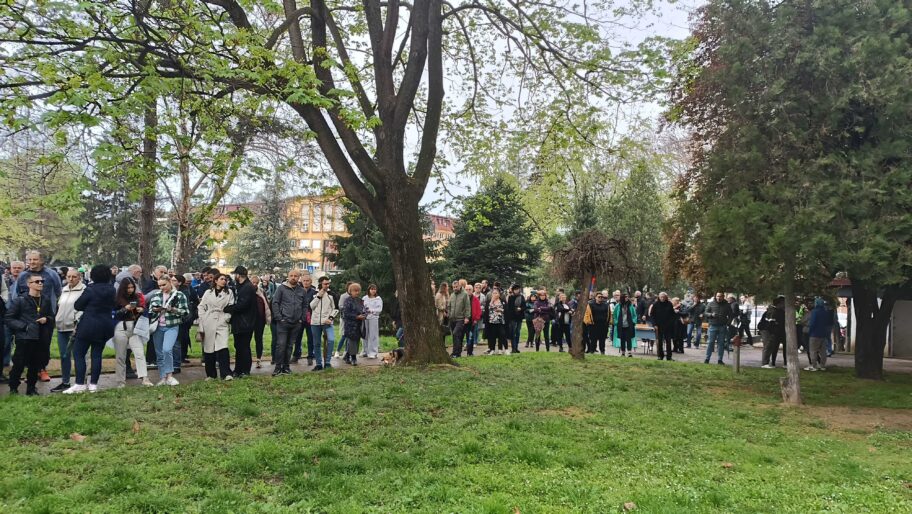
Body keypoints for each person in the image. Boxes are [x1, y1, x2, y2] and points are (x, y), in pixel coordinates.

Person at [63, 265, 116, 394]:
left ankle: (80, 383)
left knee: (79, 353)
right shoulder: (112, 289)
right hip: (106, 325)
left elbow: (78, 305)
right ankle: (93, 384)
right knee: (97, 355)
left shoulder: (90, 289)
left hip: (89, 325)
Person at [16, 251, 62, 383]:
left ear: (41, 260)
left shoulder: (52, 275)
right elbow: (17, 294)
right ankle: (31, 371)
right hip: (26, 316)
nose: (31, 262)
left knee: (44, 344)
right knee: (28, 344)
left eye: (34, 259)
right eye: (29, 259)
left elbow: (59, 292)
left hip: (45, 315)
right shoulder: (23, 276)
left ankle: (42, 369)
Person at [5, 273, 55, 395]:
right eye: (37, 282)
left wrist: (46, 319)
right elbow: (9, 319)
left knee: (35, 365)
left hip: (41, 337)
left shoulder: (45, 300)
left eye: (41, 281)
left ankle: (31, 389)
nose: (40, 283)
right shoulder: (20, 301)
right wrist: (24, 326)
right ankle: (13, 388)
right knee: (19, 364)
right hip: (25, 338)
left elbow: (51, 316)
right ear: (29, 284)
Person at [147, 275, 189, 386]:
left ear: (170, 282)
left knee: (167, 349)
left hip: (172, 325)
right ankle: (163, 377)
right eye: (159, 285)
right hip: (157, 326)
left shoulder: (179, 295)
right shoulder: (156, 295)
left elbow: (185, 311)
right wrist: (156, 309)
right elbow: (151, 309)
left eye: (164, 285)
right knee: (159, 353)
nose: (161, 287)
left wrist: (173, 309)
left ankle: (170, 376)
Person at [112, 277, 152, 387]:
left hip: (135, 327)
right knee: (121, 355)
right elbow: (113, 314)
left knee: (139, 353)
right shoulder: (117, 299)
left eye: (132, 287)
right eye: (128, 288)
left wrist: (142, 310)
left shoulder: (138, 297)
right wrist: (125, 309)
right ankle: (120, 381)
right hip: (121, 326)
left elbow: (145, 311)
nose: (130, 290)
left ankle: (144, 377)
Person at [51, 268, 86, 392]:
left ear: (79, 277)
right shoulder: (64, 290)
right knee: (64, 356)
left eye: (74, 277)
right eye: (68, 277)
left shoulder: (84, 290)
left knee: (79, 356)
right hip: (61, 327)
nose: (71, 279)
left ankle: (81, 382)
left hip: (75, 328)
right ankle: (65, 382)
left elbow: (83, 309)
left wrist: (78, 322)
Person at [197, 272, 235, 381]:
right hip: (209, 321)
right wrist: (203, 318)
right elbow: (201, 306)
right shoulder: (208, 292)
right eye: (222, 279)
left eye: (225, 279)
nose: (224, 281)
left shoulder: (229, 292)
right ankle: (211, 375)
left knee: (223, 347)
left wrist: (226, 318)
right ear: (216, 280)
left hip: (222, 321)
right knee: (209, 348)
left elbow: (230, 306)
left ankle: (226, 373)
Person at [271, 269, 306, 376]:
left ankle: (286, 367)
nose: (293, 277)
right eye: (291, 275)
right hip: (283, 322)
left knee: (290, 346)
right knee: (281, 345)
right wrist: (279, 317)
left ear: (299, 277)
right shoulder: (281, 288)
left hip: (296, 323)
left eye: (296, 276)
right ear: (288, 276)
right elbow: (275, 303)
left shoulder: (301, 291)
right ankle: (278, 367)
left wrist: (302, 318)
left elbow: (305, 305)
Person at [224, 266, 256, 377]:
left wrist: (228, 308)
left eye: (235, 275)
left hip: (245, 322)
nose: (234, 277)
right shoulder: (241, 286)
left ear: (238, 275)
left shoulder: (247, 287)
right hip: (240, 322)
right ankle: (238, 369)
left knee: (244, 347)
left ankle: (245, 370)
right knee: (239, 346)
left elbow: (242, 305)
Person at [309, 276, 337, 370]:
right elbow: (311, 306)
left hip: (327, 322)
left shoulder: (332, 294)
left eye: (328, 283)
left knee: (331, 340)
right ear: (320, 283)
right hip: (315, 322)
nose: (327, 285)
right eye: (325, 283)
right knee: (316, 343)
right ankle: (318, 364)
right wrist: (318, 296)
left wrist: (331, 318)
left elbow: (335, 308)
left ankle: (328, 362)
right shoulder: (313, 293)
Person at [2, 260, 24, 376]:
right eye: (14, 267)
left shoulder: (25, 282)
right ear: (10, 269)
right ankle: (5, 361)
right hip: (7, 315)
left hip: (21, 316)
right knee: (6, 340)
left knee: (21, 341)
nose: (16, 269)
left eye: (19, 268)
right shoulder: (5, 280)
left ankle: (21, 362)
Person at [172, 274, 198, 372]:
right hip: (177, 319)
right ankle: (177, 360)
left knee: (178, 341)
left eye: (174, 280)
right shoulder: (175, 290)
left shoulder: (184, 292)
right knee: (178, 340)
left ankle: (177, 362)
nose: (172, 281)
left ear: (179, 282)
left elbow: (186, 306)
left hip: (182, 319)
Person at [293, 273, 317, 366]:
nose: (306, 282)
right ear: (301, 281)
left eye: (308, 281)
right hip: (299, 318)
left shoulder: (314, 293)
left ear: (311, 282)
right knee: (297, 337)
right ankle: (296, 355)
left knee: (310, 337)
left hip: (310, 318)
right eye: (304, 281)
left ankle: (310, 356)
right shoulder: (297, 291)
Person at [249, 275, 272, 368]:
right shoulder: (247, 292)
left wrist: (267, 318)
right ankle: (248, 359)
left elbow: (266, 304)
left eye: (256, 283)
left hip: (259, 320)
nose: (254, 284)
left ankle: (259, 359)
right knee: (247, 340)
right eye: (253, 282)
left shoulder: (261, 291)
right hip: (249, 320)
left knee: (259, 339)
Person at [703, 292, 732, 365]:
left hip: (722, 326)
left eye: (720, 296)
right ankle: (707, 358)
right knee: (710, 342)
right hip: (713, 325)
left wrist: (728, 323)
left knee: (721, 343)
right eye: (717, 296)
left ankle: (720, 360)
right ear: (715, 296)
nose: (718, 298)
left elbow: (731, 315)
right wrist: (711, 315)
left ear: (723, 297)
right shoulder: (711, 304)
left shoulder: (727, 305)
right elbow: (705, 313)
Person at [806, 297, 834, 371]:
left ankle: (814, 366)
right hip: (824, 334)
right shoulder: (825, 312)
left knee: (813, 350)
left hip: (815, 334)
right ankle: (822, 365)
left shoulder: (815, 312)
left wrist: (810, 332)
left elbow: (812, 323)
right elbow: (828, 322)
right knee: (823, 351)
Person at [342, 283, 366, 366]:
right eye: (355, 291)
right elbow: (345, 314)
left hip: (359, 325)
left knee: (356, 341)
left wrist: (364, 314)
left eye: (358, 290)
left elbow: (363, 310)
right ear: (350, 291)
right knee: (352, 341)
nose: (357, 292)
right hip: (350, 325)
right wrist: (356, 317)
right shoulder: (347, 301)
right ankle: (353, 358)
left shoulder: (360, 300)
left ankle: (347, 356)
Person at [759, 297, 786, 368]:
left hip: (768, 330)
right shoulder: (774, 311)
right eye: (783, 303)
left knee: (770, 347)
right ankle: (765, 363)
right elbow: (772, 322)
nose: (784, 305)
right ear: (779, 304)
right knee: (768, 346)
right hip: (768, 330)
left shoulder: (772, 310)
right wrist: (773, 331)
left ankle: (766, 362)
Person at [447, 279, 471, 357]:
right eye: (453, 287)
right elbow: (449, 306)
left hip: (460, 319)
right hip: (452, 319)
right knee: (457, 336)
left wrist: (467, 317)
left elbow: (467, 306)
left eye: (456, 287)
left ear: (460, 286)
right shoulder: (452, 295)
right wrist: (449, 314)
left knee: (455, 334)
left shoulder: (464, 294)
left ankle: (455, 353)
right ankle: (457, 352)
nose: (455, 288)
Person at [484, 288, 508, 355]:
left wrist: (501, 310)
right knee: (492, 336)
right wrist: (492, 300)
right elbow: (487, 310)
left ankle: (506, 349)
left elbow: (506, 310)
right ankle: (492, 349)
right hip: (492, 321)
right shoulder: (489, 301)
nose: (494, 294)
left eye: (496, 293)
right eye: (493, 293)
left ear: (499, 294)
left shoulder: (502, 301)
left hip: (500, 321)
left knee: (502, 334)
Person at [362, 284, 382, 359]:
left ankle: (373, 352)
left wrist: (371, 311)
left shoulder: (378, 299)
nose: (373, 291)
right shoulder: (365, 298)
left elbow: (379, 309)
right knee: (365, 334)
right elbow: (362, 307)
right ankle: (365, 351)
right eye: (372, 289)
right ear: (369, 290)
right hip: (366, 318)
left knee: (373, 335)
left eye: (374, 289)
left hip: (374, 318)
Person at [506, 284, 525, 354]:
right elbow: (509, 308)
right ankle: (513, 348)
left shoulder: (521, 297)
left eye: (518, 289)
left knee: (518, 332)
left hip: (519, 317)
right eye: (515, 289)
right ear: (513, 290)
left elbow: (524, 306)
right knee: (513, 333)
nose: (516, 290)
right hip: (512, 318)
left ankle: (516, 347)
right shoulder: (511, 297)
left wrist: (521, 308)